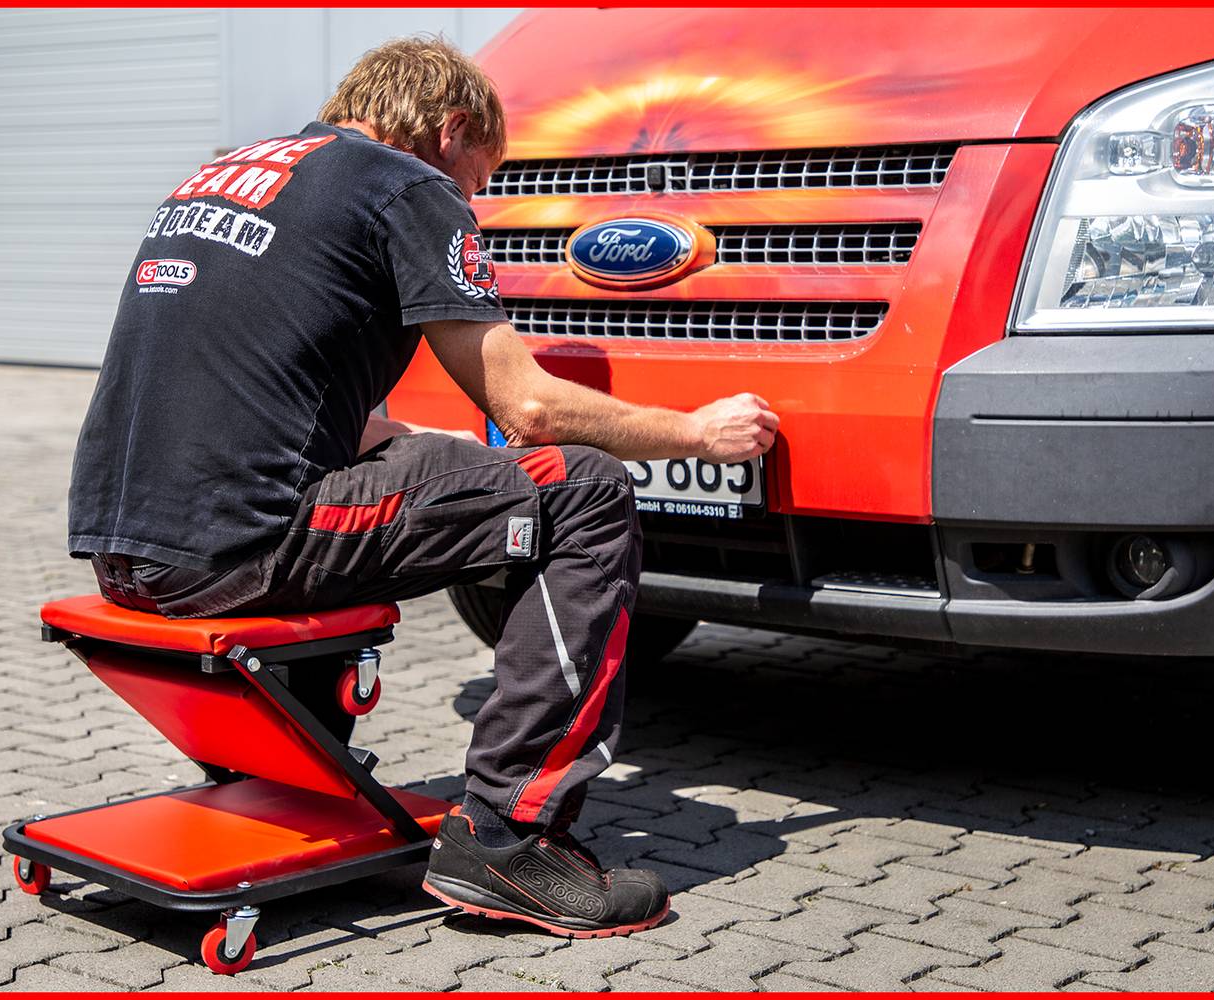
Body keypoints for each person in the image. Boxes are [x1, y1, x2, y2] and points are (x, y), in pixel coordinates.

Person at [67, 36, 777, 938]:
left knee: (422, 470)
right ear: (449, 132)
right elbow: (528, 410)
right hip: (239, 550)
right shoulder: (406, 186)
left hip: (126, 551)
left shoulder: (234, 175)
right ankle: (509, 839)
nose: (471, 202)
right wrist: (695, 432)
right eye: (480, 180)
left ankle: (288, 772)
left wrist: (416, 443)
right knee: (583, 491)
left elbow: (258, 384)